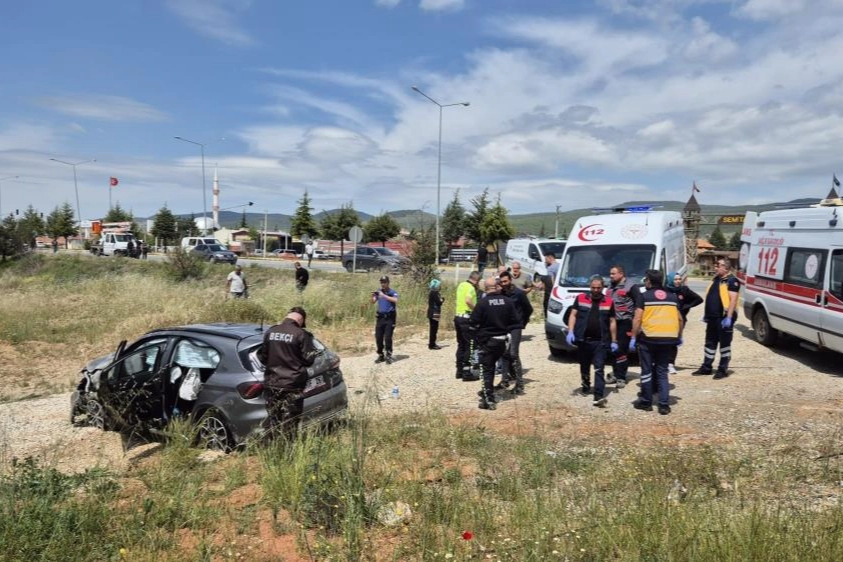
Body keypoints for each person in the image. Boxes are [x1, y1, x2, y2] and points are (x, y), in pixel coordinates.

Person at [256, 307, 318, 439]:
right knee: (291, 421)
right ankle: (288, 451)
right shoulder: (301, 334)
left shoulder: (271, 331)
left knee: (274, 420)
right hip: (292, 385)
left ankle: (274, 450)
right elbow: (308, 360)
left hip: (272, 383)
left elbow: (262, 357)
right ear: (300, 320)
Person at [630, 270, 684, 415]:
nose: (645, 282)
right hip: (668, 339)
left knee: (647, 370)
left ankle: (646, 402)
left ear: (649, 281)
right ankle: (664, 405)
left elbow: (637, 318)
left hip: (648, 339)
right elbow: (680, 319)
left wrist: (634, 337)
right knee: (662, 371)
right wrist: (679, 335)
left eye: (646, 280)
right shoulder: (672, 297)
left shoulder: (644, 297)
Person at [566, 275, 617, 407]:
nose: (595, 290)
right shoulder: (581, 298)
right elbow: (573, 315)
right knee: (584, 365)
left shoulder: (609, 302)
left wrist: (614, 340)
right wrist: (570, 331)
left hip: (600, 341)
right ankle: (586, 384)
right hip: (583, 339)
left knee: (599, 368)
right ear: (590, 287)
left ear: (603, 288)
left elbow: (612, 321)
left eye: (598, 288)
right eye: (593, 287)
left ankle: (598, 396)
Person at [470, 277, 521, 410]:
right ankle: (493, 391)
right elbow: (516, 322)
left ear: (485, 288)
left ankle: (488, 400)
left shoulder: (482, 303)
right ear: (497, 286)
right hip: (502, 341)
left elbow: (473, 323)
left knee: (487, 369)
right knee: (495, 366)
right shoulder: (508, 302)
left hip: (488, 341)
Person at [692, 258, 740, 379]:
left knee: (724, 345)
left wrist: (729, 317)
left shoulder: (732, 281)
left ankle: (722, 370)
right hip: (712, 318)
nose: (715, 267)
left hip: (723, 318)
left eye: (718, 265)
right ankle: (706, 367)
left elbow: (733, 300)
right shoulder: (716, 280)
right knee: (710, 343)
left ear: (726, 268)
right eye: (716, 265)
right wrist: (706, 314)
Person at [497, 270, 533, 395]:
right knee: (504, 353)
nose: (503, 284)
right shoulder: (500, 293)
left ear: (510, 280)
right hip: (504, 327)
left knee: (513, 353)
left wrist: (522, 323)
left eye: (505, 281)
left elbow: (529, 309)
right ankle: (505, 380)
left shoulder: (519, 293)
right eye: (501, 282)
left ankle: (519, 383)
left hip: (515, 327)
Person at [605, 264, 638, 389]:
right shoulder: (610, 286)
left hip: (625, 322)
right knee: (612, 350)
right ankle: (615, 373)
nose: (611, 276)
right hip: (611, 322)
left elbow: (639, 305)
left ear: (621, 274)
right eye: (610, 274)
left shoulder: (631, 286)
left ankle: (621, 377)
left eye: (613, 274)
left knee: (622, 350)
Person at [665, 271, 703, 374]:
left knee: (674, 342)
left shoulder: (684, 290)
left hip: (679, 320)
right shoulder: (665, 290)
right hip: (666, 320)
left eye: (679, 279)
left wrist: (686, 306)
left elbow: (699, 299)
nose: (677, 281)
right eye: (675, 279)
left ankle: (670, 364)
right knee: (664, 341)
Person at [454, 271, 481, 380]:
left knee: (461, 345)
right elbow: (468, 301)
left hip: (458, 317)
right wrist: (477, 309)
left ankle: (459, 370)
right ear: (476, 280)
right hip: (466, 318)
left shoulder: (461, 285)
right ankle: (466, 372)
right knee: (469, 345)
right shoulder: (471, 287)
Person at [372, 275, 398, 364]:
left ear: (388, 283)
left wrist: (383, 296)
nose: (383, 284)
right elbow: (373, 301)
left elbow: (395, 300)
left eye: (384, 282)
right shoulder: (379, 292)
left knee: (387, 337)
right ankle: (380, 355)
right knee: (378, 337)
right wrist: (373, 297)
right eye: (381, 282)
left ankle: (389, 355)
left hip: (390, 318)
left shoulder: (392, 292)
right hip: (380, 318)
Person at [539, 253, 560, 318]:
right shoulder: (560, 265)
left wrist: (553, 289)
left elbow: (551, 280)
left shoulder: (551, 268)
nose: (545, 261)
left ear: (550, 258)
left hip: (552, 290)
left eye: (546, 259)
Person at [427, 278, 444, 350]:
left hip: (432, 312)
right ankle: (432, 344)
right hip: (434, 313)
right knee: (434, 329)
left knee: (433, 329)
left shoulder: (431, 292)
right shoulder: (434, 293)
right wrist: (442, 300)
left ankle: (432, 343)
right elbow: (439, 302)